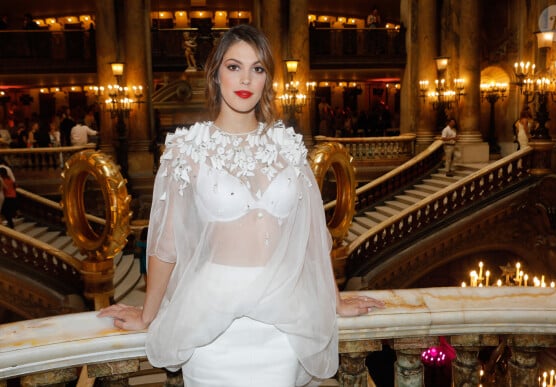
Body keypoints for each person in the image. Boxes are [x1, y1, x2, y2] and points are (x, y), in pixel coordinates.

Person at [98, 24, 383, 387]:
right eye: (234, 66)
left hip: (282, 323)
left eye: (258, 68)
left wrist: (336, 301)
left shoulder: (288, 147)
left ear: (267, 79)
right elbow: (166, 245)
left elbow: (313, 236)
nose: (246, 77)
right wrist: (148, 314)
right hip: (212, 326)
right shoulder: (186, 150)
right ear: (215, 74)